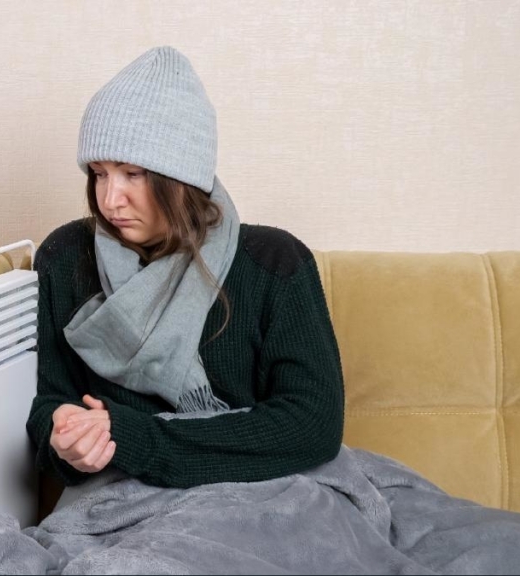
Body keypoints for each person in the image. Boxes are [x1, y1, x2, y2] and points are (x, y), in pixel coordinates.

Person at [25, 45, 346, 491]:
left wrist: (136, 438)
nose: (109, 199)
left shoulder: (274, 263)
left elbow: (312, 425)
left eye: (132, 173)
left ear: (182, 178)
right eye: (99, 173)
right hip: (117, 498)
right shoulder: (64, 258)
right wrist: (62, 434)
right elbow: (48, 402)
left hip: (262, 492)